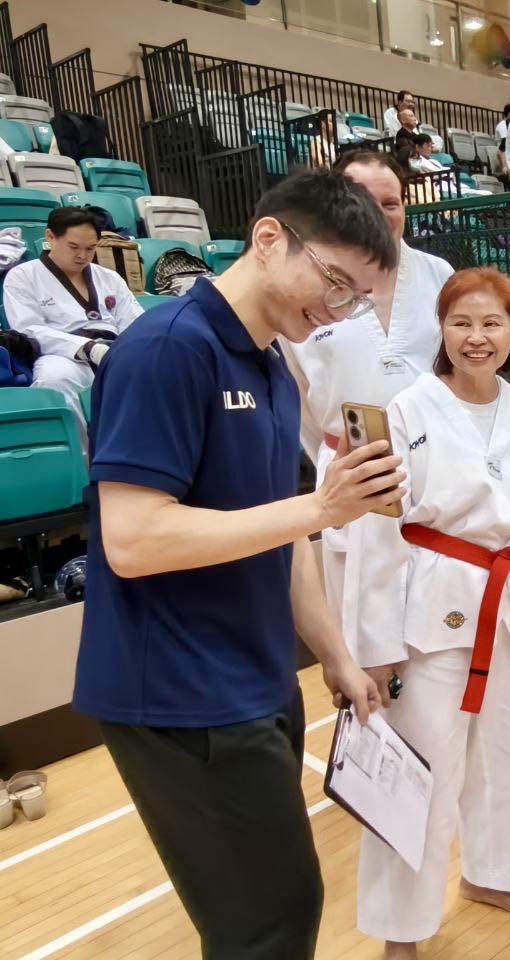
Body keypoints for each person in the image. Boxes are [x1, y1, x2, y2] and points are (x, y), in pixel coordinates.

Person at [72, 171, 400, 959]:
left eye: (357, 296)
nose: (335, 309)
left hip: (252, 680)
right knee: (270, 921)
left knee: (272, 915)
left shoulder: (273, 365)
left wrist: (337, 654)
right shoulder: (166, 350)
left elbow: (280, 534)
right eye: (332, 281)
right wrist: (322, 509)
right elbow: (134, 540)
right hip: (178, 694)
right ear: (267, 239)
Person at [344, 267, 510, 957]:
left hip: (507, 606)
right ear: (441, 331)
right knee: (421, 769)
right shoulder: (403, 412)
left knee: (507, 757)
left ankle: (495, 873)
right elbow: (374, 531)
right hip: (429, 607)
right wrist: (374, 642)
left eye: (492, 324)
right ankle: (401, 926)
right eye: (461, 323)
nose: (476, 338)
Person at [279, 149, 454, 647]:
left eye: (392, 202)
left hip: (433, 466)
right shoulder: (306, 286)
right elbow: (297, 398)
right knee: (361, 629)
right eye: (365, 201)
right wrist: (338, 450)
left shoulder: (438, 274)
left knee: (435, 624)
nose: (381, 215)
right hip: (350, 466)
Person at [4, 207, 144, 428]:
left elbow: (136, 323)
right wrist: (88, 348)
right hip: (63, 354)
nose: (82, 256)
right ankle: (80, 458)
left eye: (90, 248)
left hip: (115, 350)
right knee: (53, 380)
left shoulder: (109, 277)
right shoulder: (23, 276)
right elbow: (29, 329)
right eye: (73, 247)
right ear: (50, 237)